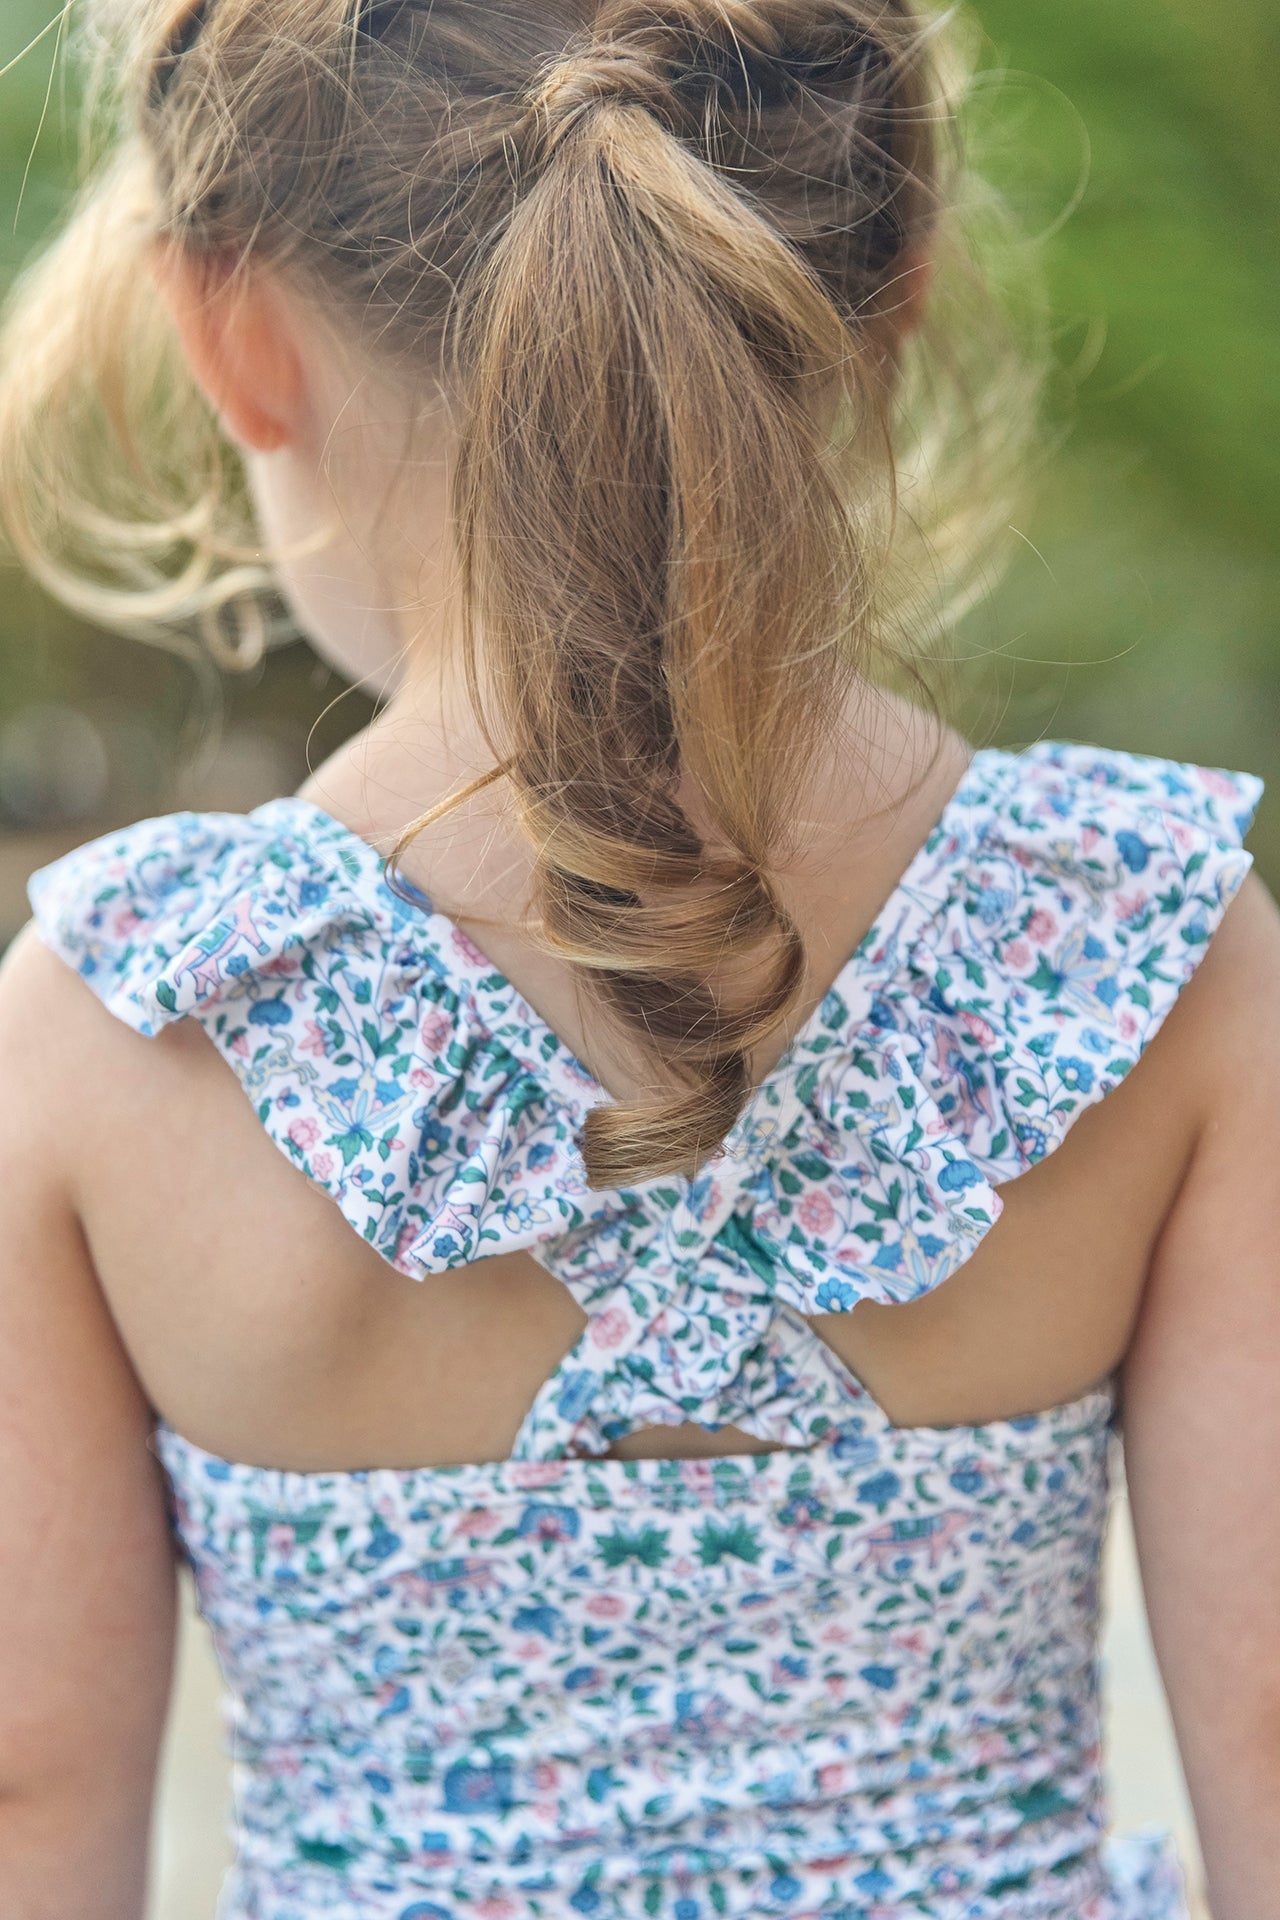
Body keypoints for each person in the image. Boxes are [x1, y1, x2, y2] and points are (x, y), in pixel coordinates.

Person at [0, 2, 1274, 1916]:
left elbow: (33, 1808)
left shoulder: (116, 1031)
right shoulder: (1149, 951)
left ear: (233, 334)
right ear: (890, 297)